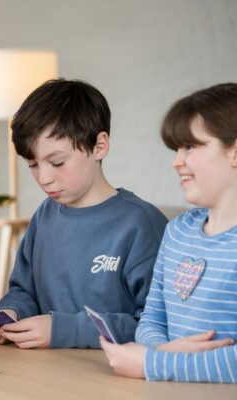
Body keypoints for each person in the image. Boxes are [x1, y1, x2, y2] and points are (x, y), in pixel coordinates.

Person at [0, 78, 168, 349]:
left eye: (57, 162)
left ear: (99, 146)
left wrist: (63, 330)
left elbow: (156, 325)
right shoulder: (45, 215)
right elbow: (24, 291)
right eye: (33, 164)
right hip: (44, 374)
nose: (44, 178)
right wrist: (12, 313)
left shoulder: (141, 225)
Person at [101, 83, 237, 382]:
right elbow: (151, 320)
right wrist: (163, 350)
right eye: (176, 149)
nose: (177, 161)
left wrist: (155, 363)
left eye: (190, 146)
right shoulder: (177, 232)